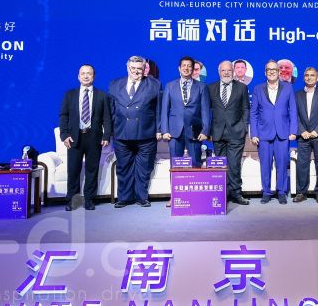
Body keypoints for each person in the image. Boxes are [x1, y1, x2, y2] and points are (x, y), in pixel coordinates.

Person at [108, 55, 162, 208]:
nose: (136, 71)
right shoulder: (114, 84)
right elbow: (111, 109)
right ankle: (124, 198)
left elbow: (159, 109)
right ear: (127, 68)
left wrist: (159, 129)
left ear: (145, 69)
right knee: (123, 167)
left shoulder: (154, 84)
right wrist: (111, 130)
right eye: (133, 68)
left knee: (144, 168)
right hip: (121, 133)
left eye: (139, 68)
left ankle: (141, 197)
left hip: (146, 133)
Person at [58, 64, 112, 211]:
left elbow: (107, 118)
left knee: (91, 170)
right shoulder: (70, 95)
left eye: (89, 73)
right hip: (74, 138)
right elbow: (63, 116)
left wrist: (106, 135)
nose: (86, 76)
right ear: (78, 76)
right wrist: (64, 135)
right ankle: (72, 200)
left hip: (94, 137)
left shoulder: (102, 95)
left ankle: (89, 199)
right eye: (83, 73)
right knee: (73, 170)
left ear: (93, 76)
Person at [249, 60, 297, 204]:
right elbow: (253, 113)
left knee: (282, 164)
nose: (271, 72)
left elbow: (293, 110)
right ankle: (266, 192)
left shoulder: (288, 88)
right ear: (265, 72)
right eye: (269, 70)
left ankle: (281, 192)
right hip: (263, 133)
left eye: (274, 70)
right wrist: (254, 133)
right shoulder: (258, 89)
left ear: (278, 72)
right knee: (265, 165)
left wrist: (293, 131)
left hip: (283, 133)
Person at [208, 60, 250, 205]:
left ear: (233, 72)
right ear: (219, 72)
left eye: (229, 70)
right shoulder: (211, 88)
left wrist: (244, 126)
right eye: (223, 70)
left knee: (234, 165)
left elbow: (246, 108)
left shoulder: (242, 87)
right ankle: (222, 194)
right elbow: (207, 110)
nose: (226, 73)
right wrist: (208, 130)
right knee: (220, 166)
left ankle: (236, 194)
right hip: (218, 133)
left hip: (236, 132)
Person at [160, 56, 211, 167]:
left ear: (193, 69)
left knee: (196, 164)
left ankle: (195, 179)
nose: (186, 68)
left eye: (189, 66)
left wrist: (205, 131)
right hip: (174, 132)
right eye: (184, 66)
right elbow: (164, 110)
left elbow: (205, 110)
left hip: (194, 131)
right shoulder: (170, 86)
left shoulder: (202, 87)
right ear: (179, 68)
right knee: (175, 165)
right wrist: (164, 130)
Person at [293, 67, 318, 204]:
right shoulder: (297, 95)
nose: (309, 77)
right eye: (307, 75)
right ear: (303, 77)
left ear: (317, 78)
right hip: (303, 135)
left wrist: (317, 130)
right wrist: (301, 130)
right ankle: (301, 192)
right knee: (302, 165)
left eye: (312, 75)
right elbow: (294, 115)